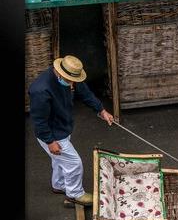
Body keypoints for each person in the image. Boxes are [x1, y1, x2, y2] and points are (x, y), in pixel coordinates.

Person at [28, 55, 114, 206]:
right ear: (60, 72)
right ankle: (75, 194)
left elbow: (85, 93)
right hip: (52, 134)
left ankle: (59, 185)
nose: (72, 84)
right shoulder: (41, 90)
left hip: (62, 127)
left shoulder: (70, 76)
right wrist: (50, 141)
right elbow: (39, 121)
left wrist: (101, 110)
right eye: (69, 80)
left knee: (60, 160)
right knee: (74, 163)